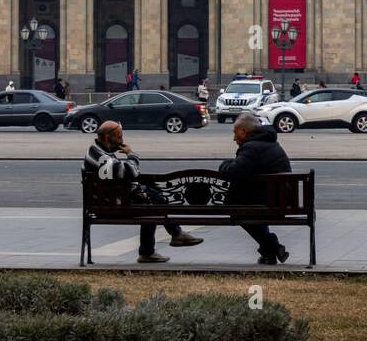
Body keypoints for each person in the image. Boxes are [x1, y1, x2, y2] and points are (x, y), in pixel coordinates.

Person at [84, 120, 203, 263]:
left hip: (108, 203)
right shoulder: (100, 156)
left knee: (154, 196)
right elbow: (130, 172)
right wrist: (131, 155)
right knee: (152, 205)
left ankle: (173, 236)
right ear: (107, 138)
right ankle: (161, 243)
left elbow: (119, 176)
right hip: (112, 206)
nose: (122, 141)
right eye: (119, 137)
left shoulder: (98, 151)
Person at [218, 113, 291, 264]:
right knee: (245, 208)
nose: (234, 138)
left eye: (235, 132)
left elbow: (234, 172)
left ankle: (271, 246)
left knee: (238, 210)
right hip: (279, 198)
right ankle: (270, 250)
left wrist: (224, 164)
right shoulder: (269, 143)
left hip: (268, 202)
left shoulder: (251, 147)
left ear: (244, 131)